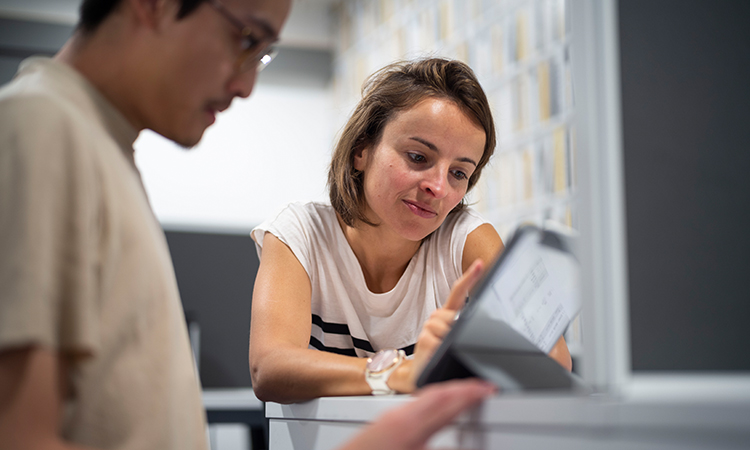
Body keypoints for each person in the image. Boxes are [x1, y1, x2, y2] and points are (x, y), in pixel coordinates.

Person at [0, 0, 496, 449]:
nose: (245, 85)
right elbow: (20, 434)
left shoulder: (95, 149)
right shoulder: (42, 129)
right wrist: (391, 377)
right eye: (244, 39)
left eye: (459, 173)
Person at [249, 58, 573, 404]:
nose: (438, 187)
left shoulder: (465, 239)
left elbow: (555, 363)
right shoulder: (300, 232)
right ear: (361, 149)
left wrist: (465, 354)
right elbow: (269, 367)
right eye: (418, 157)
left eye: (459, 174)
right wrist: (403, 373)